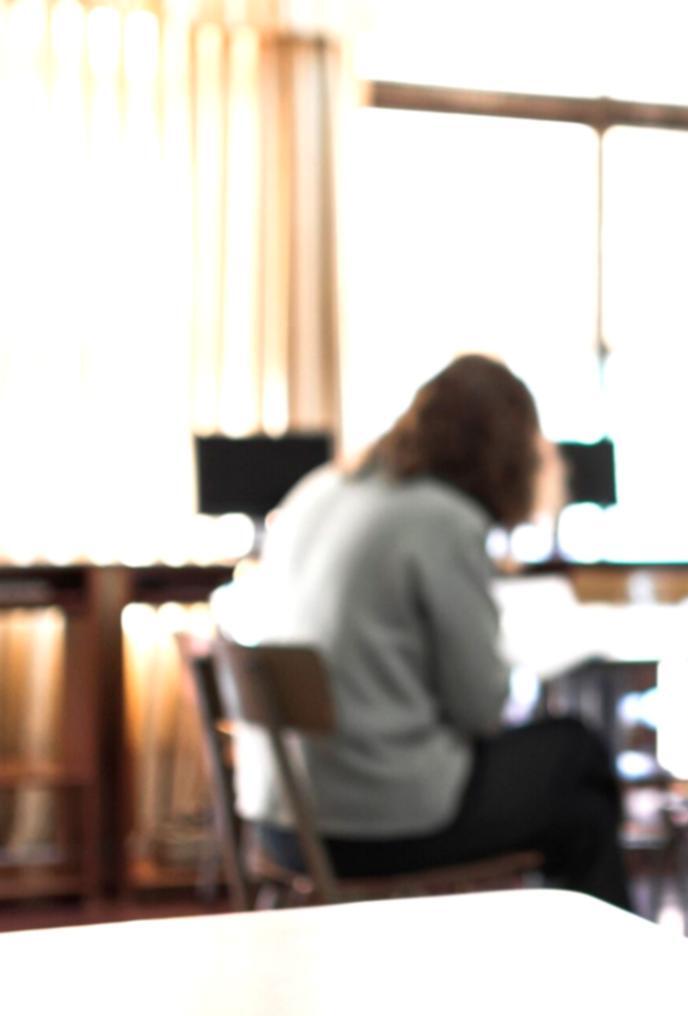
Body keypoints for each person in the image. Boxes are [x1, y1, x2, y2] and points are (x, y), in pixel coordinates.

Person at [232, 354, 631, 909]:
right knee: (577, 752)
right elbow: (479, 708)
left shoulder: (319, 489)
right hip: (369, 822)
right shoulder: (442, 519)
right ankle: (605, 978)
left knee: (578, 805)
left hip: (281, 817)